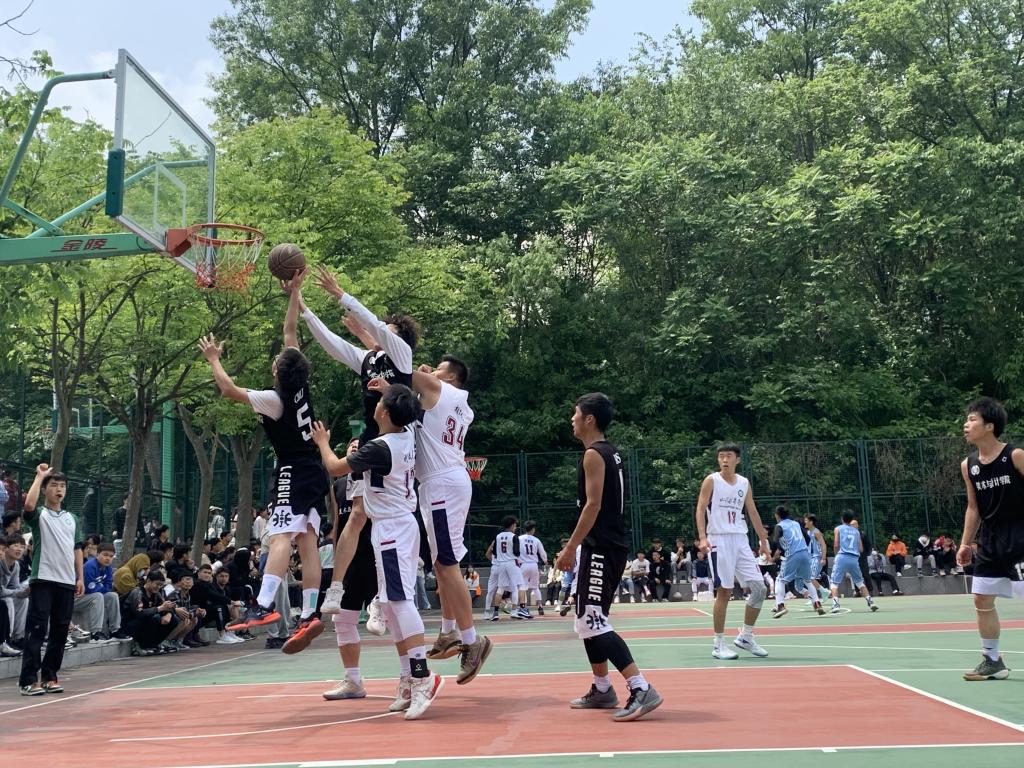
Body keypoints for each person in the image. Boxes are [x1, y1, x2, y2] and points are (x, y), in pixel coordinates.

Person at [198, 269, 329, 654]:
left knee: (281, 536)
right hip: (314, 471)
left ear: (277, 372)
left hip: (292, 469)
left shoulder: (274, 399)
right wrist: (295, 293)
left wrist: (213, 359)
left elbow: (228, 389)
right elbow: (290, 334)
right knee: (308, 541)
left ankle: (265, 603)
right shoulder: (301, 386)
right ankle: (310, 613)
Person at [310, 384, 444, 720]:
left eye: (381, 400)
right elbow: (413, 411)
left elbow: (335, 467)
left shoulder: (379, 447)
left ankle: (422, 677)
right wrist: (391, 388)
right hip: (398, 525)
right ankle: (408, 678)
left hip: (392, 528)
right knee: (391, 605)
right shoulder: (407, 434)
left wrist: (323, 442)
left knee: (400, 602)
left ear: (383, 411)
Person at [554, 393, 662, 721]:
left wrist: (570, 547)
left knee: (591, 619)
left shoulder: (593, 454)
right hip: (604, 545)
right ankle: (602, 689)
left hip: (602, 547)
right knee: (587, 618)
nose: (572, 419)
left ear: (589, 419)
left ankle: (641, 687)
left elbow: (593, 505)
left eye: (575, 414)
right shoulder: (610, 452)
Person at [957, 397, 1024, 681]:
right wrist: (965, 543)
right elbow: (974, 507)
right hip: (990, 540)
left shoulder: (1015, 456)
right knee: (982, 598)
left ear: (989, 426)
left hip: (1020, 537)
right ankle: (992, 660)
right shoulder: (968, 465)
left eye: (972, 419)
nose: (966, 424)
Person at [321, 439, 388, 700]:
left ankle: (413, 674)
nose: (354, 447)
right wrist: (336, 560)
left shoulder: (378, 479)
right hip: (349, 562)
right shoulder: (339, 485)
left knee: (393, 617)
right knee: (342, 620)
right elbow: (338, 522)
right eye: (351, 445)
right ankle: (353, 680)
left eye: (359, 445)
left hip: (375, 557)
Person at [695, 443, 772, 660]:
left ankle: (746, 636)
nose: (724, 459)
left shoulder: (744, 483)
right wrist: (702, 537)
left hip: (740, 539)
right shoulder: (712, 480)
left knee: (760, 588)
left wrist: (763, 541)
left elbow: (752, 511)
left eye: (728, 456)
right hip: (719, 539)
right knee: (725, 591)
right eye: (721, 456)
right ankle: (719, 643)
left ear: (737, 459)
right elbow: (700, 508)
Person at [771, 506, 823, 618]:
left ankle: (780, 606)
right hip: (805, 553)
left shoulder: (779, 526)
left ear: (777, 515)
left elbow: (775, 541)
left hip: (792, 554)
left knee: (780, 580)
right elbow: (807, 538)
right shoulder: (796, 524)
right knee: (808, 580)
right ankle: (817, 603)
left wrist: (777, 552)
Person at [74, 542, 128, 643]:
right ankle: (95, 633)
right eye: (105, 555)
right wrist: (101, 588)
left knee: (113, 596)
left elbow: (109, 586)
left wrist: (100, 587)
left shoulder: (108, 568)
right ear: (97, 554)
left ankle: (115, 630)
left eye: (111, 556)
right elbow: (89, 589)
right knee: (98, 596)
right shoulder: (89, 566)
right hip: (76, 599)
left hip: (91, 597)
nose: (108, 558)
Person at [829, 511, 878, 613]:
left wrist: (836, 555)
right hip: (854, 558)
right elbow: (861, 549)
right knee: (860, 582)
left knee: (834, 583)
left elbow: (836, 544)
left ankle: (836, 605)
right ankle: (870, 602)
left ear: (842, 518)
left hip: (842, 557)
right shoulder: (856, 531)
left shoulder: (838, 528)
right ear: (851, 519)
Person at [484, 517, 523, 621]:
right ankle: (514, 611)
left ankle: (495, 613)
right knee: (514, 588)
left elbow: (494, 552)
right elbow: (517, 552)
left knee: (500, 588)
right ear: (512, 525)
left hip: (500, 564)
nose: (515, 527)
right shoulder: (514, 536)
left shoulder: (498, 536)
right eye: (515, 525)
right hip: (511, 563)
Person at [518, 521, 548, 615]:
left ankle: (523, 607)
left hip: (523, 565)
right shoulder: (536, 540)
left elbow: (515, 551)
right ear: (533, 529)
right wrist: (545, 560)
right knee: (535, 587)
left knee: (522, 586)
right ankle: (540, 606)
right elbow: (542, 553)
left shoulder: (520, 538)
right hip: (534, 565)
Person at [802, 514, 830, 602]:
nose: (804, 522)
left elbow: (823, 545)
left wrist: (823, 558)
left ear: (811, 522)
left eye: (806, 520)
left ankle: (822, 592)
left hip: (817, 557)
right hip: (811, 558)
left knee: (810, 578)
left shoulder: (816, 532)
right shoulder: (808, 532)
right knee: (807, 578)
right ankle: (818, 595)